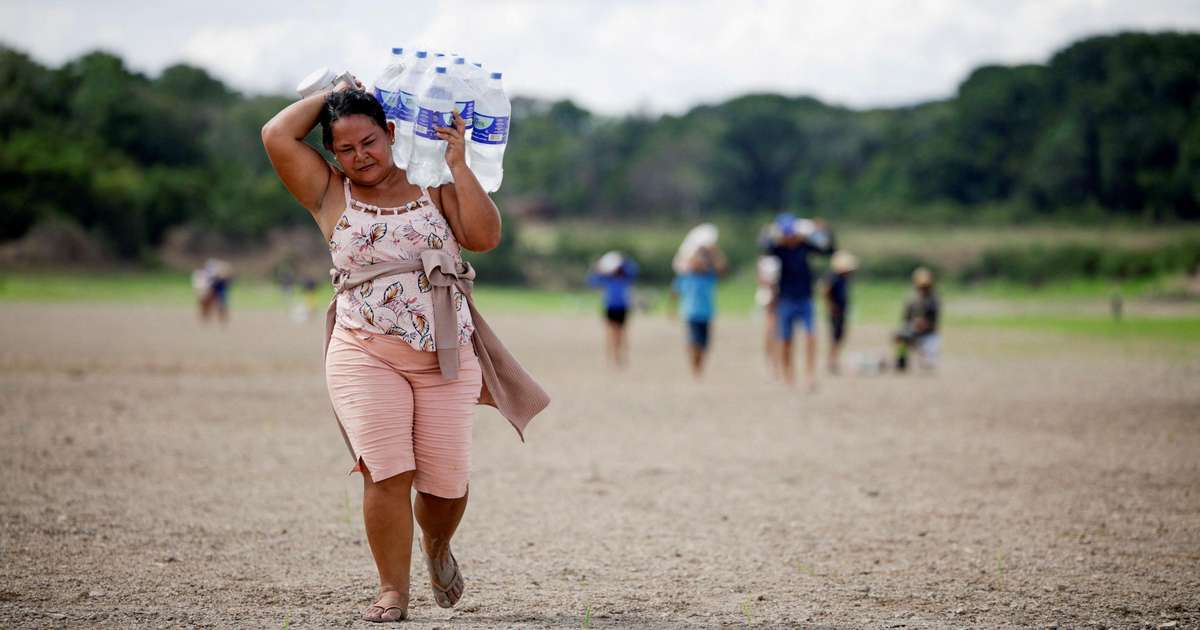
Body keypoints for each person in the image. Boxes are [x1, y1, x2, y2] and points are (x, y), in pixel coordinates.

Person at [262, 79, 548, 623]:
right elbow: (276, 133)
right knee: (385, 471)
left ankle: (436, 546)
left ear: (391, 132)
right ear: (330, 153)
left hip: (445, 351)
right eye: (343, 148)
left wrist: (459, 164)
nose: (358, 156)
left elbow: (485, 238)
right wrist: (335, 93)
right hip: (363, 349)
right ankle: (393, 590)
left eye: (368, 141)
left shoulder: (431, 181)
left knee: (446, 485)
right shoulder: (329, 192)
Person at [764, 213, 835, 389]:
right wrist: (770, 231)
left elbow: (828, 249)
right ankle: (788, 374)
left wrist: (823, 231)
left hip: (805, 298)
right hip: (786, 299)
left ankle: (810, 375)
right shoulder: (778, 249)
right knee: (786, 340)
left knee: (811, 336)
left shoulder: (805, 245)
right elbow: (764, 245)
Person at [669, 224, 726, 379]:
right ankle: (694, 368)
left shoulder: (709, 276)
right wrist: (672, 310)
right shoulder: (686, 276)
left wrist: (713, 251)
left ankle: (699, 366)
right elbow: (674, 293)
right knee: (693, 341)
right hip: (690, 313)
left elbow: (722, 268)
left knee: (705, 345)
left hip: (707, 313)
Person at [587, 251, 638, 368]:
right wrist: (598, 267)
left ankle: (619, 356)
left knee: (621, 333)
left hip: (622, 307)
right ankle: (610, 357)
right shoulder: (607, 278)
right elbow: (591, 281)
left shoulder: (625, 276)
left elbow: (634, 270)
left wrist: (623, 260)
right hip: (609, 307)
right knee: (610, 333)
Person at [894, 266, 941, 372]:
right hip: (914, 331)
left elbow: (934, 321)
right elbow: (905, 319)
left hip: (929, 334)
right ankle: (902, 362)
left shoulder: (933, 299)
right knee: (901, 337)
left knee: (928, 365)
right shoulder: (911, 299)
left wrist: (923, 324)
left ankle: (926, 357)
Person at [822, 251, 857, 375]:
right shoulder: (833, 277)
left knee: (839, 337)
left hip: (841, 310)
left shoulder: (843, 278)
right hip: (836, 312)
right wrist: (831, 307)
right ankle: (831, 361)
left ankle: (834, 360)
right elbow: (825, 291)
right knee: (835, 337)